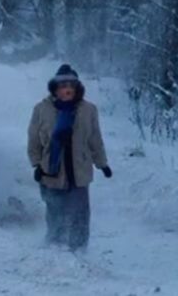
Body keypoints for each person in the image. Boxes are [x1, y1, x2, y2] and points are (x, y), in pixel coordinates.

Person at [27, 64, 111, 250]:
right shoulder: (42, 109)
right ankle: (54, 246)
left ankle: (79, 250)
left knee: (80, 214)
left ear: (77, 87)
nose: (67, 89)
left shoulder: (88, 110)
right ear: (55, 88)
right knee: (55, 210)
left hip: (78, 171)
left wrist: (102, 163)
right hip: (51, 170)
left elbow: (95, 138)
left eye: (71, 85)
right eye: (63, 85)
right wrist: (36, 164)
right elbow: (34, 140)